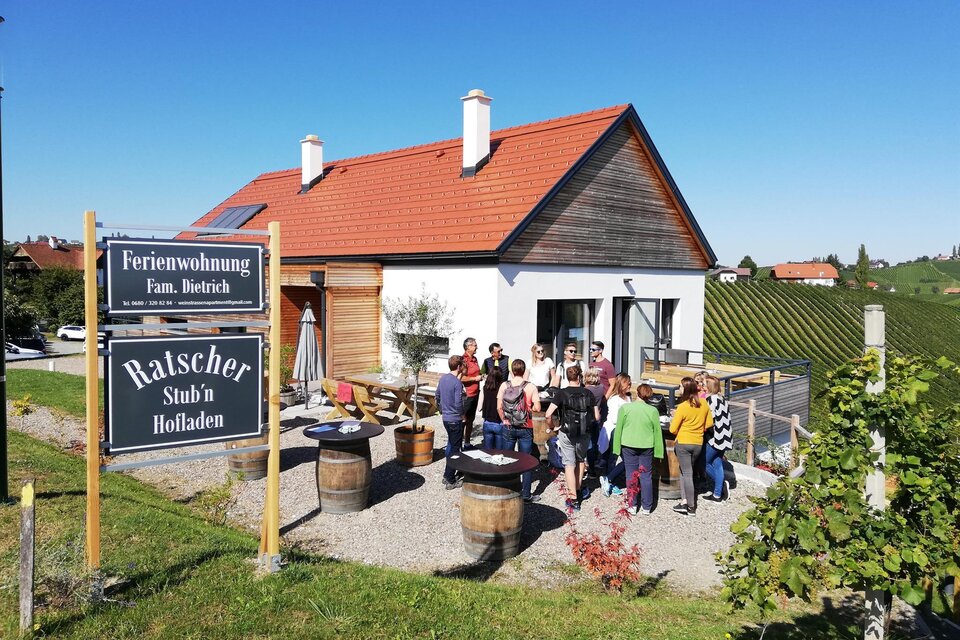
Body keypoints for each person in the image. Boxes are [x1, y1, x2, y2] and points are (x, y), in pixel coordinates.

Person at [545, 365, 599, 511]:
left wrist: (552, 427)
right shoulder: (588, 393)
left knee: (569, 463)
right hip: (584, 432)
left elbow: (548, 414)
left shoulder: (561, 393)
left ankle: (573, 498)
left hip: (566, 431)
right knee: (581, 460)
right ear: (579, 377)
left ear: (567, 378)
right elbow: (596, 416)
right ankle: (579, 487)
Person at [613, 383, 664, 515]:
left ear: (637, 393)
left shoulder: (625, 408)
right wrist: (659, 451)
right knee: (646, 476)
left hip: (628, 444)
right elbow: (657, 433)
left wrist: (616, 448)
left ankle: (632, 504)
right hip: (646, 445)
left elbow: (619, 429)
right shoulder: (653, 411)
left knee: (631, 475)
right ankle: (647, 506)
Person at [497, 359, 542, 503]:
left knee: (506, 459)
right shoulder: (530, 387)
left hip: (509, 426)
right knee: (526, 461)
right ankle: (526, 494)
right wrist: (529, 409)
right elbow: (538, 408)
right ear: (524, 370)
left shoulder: (504, 385)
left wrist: (505, 419)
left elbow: (499, 407)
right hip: (525, 427)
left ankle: (506, 489)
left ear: (511, 370)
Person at [668, 377, 713, 516]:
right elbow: (709, 424)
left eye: (680, 387)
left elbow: (672, 430)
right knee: (686, 472)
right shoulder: (704, 403)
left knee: (687, 473)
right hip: (698, 443)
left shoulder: (682, 407)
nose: (679, 389)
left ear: (686, 389)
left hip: (684, 443)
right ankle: (684, 501)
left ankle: (691, 506)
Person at [436, 355, 466, 490]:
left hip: (446, 419)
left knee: (450, 445)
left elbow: (437, 396)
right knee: (455, 449)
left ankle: (446, 474)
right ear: (459, 367)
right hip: (455, 419)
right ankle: (450, 479)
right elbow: (458, 402)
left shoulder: (443, 379)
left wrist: (442, 410)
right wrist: (462, 415)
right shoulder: (456, 383)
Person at [598, 373, 631, 497]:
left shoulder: (627, 398)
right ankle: (610, 480)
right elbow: (614, 419)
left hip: (625, 431)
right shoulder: (614, 399)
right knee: (614, 457)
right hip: (614, 431)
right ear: (622, 384)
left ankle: (609, 479)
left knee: (619, 457)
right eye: (628, 383)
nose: (629, 386)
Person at [703, 375, 732, 502]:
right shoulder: (722, 398)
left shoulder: (711, 401)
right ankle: (717, 494)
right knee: (717, 462)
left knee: (704, 463)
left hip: (716, 438)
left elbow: (709, 421)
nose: (702, 387)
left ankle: (721, 485)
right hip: (725, 436)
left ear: (709, 386)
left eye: (704, 384)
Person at [460, 337, 482, 448]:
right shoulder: (463, 360)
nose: (476, 347)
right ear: (468, 347)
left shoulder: (474, 359)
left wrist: (481, 377)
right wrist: (474, 379)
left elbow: (476, 373)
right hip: (467, 395)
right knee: (463, 420)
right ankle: (458, 444)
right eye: (474, 345)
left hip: (475, 393)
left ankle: (467, 443)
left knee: (470, 419)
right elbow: (461, 378)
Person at [584, 368, 605, 479]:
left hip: (586, 419)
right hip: (596, 419)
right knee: (594, 443)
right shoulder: (601, 388)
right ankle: (593, 467)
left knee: (586, 445)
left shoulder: (586, 390)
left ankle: (586, 468)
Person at [480, 367, 504, 450]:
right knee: (499, 452)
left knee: (488, 452)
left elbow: (479, 407)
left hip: (487, 422)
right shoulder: (502, 388)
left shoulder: (485, 387)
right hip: (499, 422)